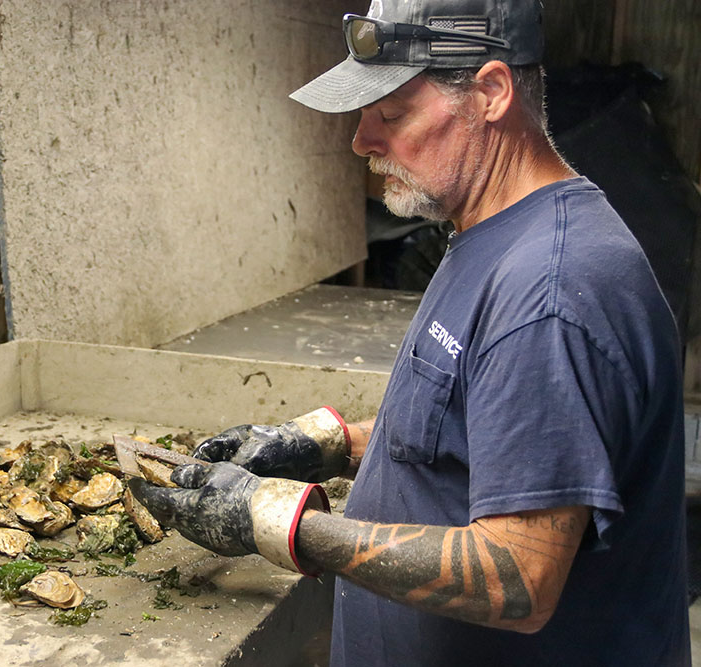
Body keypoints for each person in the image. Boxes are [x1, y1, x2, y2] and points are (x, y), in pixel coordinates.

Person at [129, 0, 691, 664]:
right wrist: (323, 442)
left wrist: (277, 521)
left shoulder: (549, 288)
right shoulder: (490, 231)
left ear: (490, 93)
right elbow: (470, 429)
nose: (361, 141)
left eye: (391, 113)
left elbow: (517, 575)